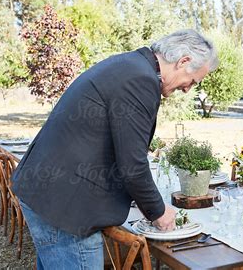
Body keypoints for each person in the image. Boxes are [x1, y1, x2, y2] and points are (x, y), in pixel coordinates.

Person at [11, 29, 218, 269]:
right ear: (183, 61)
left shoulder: (131, 65)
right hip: (66, 207)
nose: (187, 89)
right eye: (192, 81)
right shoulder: (141, 79)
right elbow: (133, 164)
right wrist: (158, 212)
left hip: (47, 193)